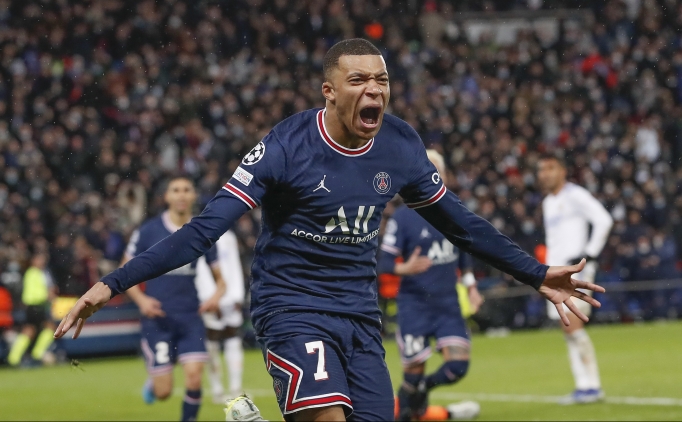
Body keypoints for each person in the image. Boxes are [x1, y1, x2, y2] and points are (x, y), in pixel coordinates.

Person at [55, 39, 604, 422]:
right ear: (329, 90)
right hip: (291, 306)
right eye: (358, 80)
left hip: (360, 315)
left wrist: (536, 274)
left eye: (381, 80)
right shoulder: (285, 146)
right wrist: (112, 283)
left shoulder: (401, 145)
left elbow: (461, 224)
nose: (374, 90)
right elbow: (202, 232)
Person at [378, 149, 482, 421]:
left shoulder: (454, 210)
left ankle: (422, 392)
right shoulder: (403, 217)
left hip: (447, 303)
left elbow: (464, 253)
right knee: (412, 375)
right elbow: (383, 263)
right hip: (415, 305)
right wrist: (404, 268)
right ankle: (408, 411)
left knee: (458, 366)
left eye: (437, 169)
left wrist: (471, 286)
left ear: (445, 175)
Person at [120, 176, 227, 421]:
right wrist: (142, 301)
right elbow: (123, 271)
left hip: (190, 316)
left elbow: (221, 281)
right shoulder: (148, 231)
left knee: (194, 378)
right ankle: (154, 381)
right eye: (175, 190)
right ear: (166, 196)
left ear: (193, 196)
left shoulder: (202, 231)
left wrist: (216, 296)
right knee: (164, 392)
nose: (181, 194)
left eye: (186, 190)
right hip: (158, 319)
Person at [537, 153, 613, 404]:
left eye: (550, 168)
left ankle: (591, 386)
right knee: (567, 327)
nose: (545, 174)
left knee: (573, 326)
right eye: (541, 169)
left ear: (563, 171)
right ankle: (584, 386)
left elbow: (604, 220)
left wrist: (589, 254)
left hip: (574, 271)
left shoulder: (575, 195)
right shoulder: (548, 202)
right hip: (555, 273)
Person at [195, 229, 246, 403]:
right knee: (212, 341)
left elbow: (235, 265)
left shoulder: (229, 236)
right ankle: (217, 390)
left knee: (234, 337)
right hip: (211, 299)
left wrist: (238, 295)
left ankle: (235, 389)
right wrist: (210, 298)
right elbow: (201, 269)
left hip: (231, 297)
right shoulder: (201, 233)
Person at [8, 253, 56, 366]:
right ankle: (36, 354)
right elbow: (31, 294)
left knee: (30, 331)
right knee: (47, 328)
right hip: (35, 306)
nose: (42, 262)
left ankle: (14, 358)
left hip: (36, 306)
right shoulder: (33, 273)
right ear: (33, 261)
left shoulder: (39, 273)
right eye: (39, 259)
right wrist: (47, 296)